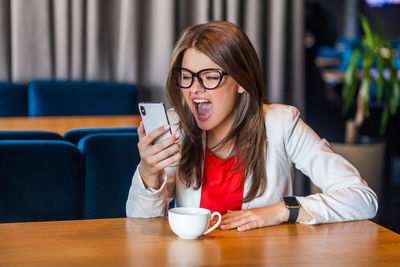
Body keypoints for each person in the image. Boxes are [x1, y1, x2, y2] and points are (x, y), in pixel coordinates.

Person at [126, 21, 377, 231]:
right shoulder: (176, 128)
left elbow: (363, 198)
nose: (194, 88)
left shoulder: (282, 124)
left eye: (210, 77)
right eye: (186, 76)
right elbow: (142, 226)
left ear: (241, 82)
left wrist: (282, 210)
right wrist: (149, 172)